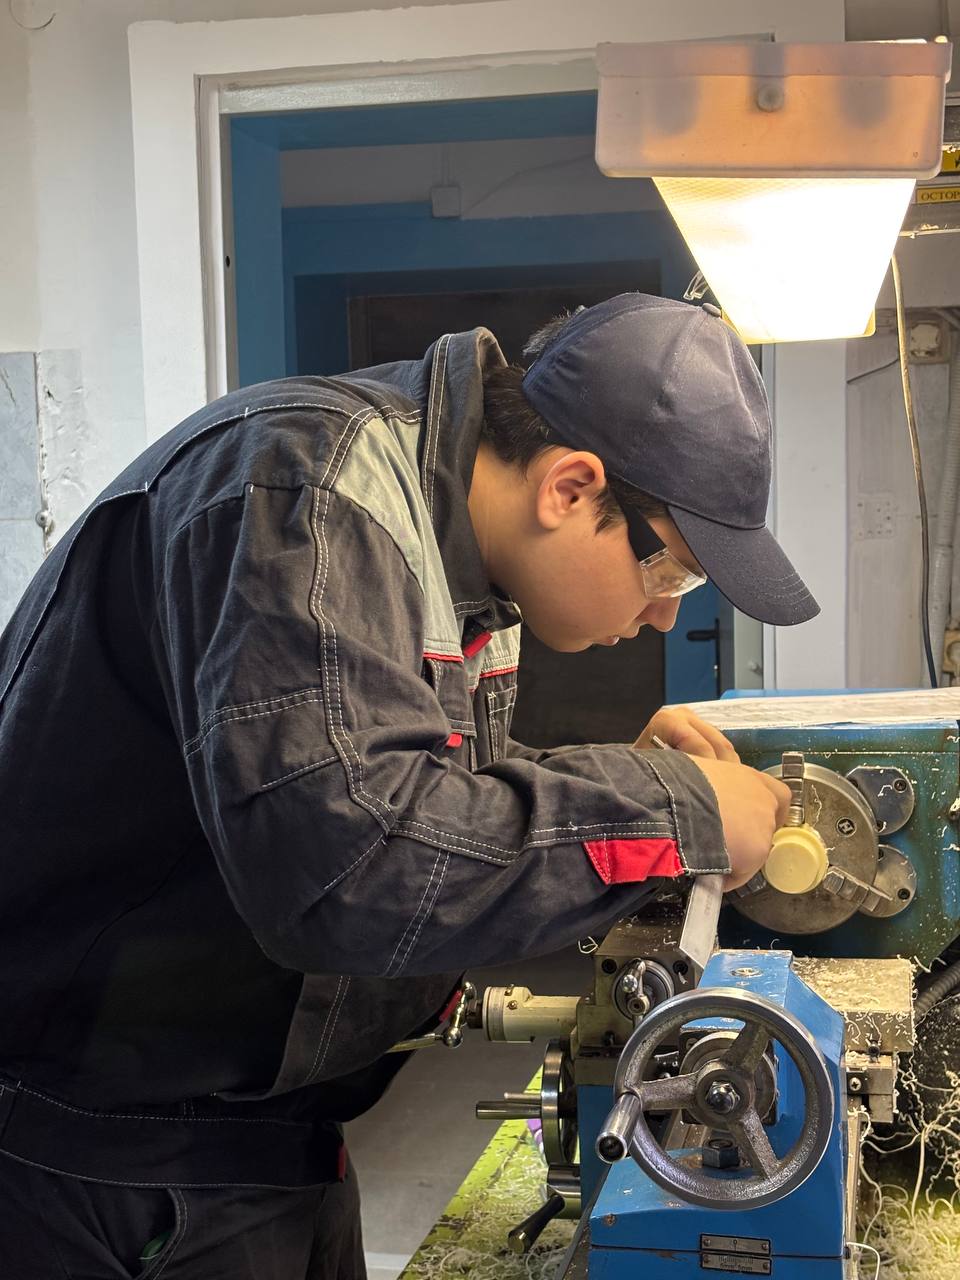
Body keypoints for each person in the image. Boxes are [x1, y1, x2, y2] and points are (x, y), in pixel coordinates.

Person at [0, 293, 811, 1278]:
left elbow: (417, 785)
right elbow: (352, 869)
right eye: (671, 575)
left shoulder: (463, 562)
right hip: (115, 1174)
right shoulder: (305, 496)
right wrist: (668, 810)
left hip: (264, 1146)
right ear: (570, 487)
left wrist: (625, 775)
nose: (660, 617)